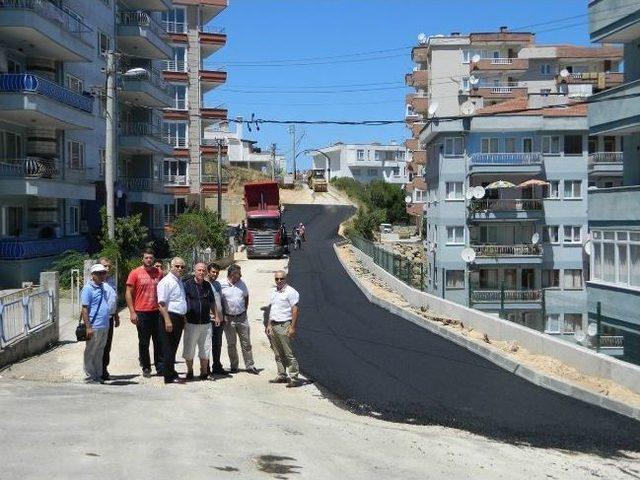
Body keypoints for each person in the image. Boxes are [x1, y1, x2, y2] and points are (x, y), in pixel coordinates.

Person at [126, 249, 164, 378]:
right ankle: (146, 367)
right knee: (144, 342)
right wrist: (132, 312)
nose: (149, 260)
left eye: (151, 258)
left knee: (159, 341)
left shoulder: (159, 273)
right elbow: (128, 293)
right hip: (142, 312)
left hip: (157, 312)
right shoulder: (135, 273)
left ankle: (160, 367)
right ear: (142, 259)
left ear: (154, 259)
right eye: (146, 257)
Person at [183, 263, 221, 381]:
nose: (201, 272)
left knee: (205, 348)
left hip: (206, 323)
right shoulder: (187, 285)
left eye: (203, 270)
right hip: (191, 322)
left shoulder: (207, 285)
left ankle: (204, 372)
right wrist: (183, 318)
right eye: (199, 270)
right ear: (194, 271)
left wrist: (217, 316)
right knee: (189, 349)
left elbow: (212, 302)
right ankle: (190, 371)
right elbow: (183, 301)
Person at [81, 264, 116, 384]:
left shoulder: (102, 287)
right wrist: (88, 327)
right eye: (99, 273)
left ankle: (98, 375)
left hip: (104, 324)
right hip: (94, 325)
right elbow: (85, 309)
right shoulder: (88, 289)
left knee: (100, 351)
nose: (102, 275)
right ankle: (90, 376)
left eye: (103, 273)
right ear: (93, 275)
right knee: (91, 351)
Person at [266, 271, 302, 387]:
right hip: (274, 325)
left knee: (288, 353)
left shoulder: (291, 292)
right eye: (277, 279)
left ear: (285, 279)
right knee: (277, 352)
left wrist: (292, 327)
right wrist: (268, 324)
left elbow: (295, 310)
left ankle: (294, 378)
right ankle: (281, 375)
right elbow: (272, 309)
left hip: (284, 325)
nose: (279, 281)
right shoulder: (274, 292)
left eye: (281, 279)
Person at [221, 264, 258, 374]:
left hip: (242, 318)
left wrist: (244, 311)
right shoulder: (222, 284)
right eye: (238, 275)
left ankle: (250, 365)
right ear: (231, 275)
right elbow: (219, 301)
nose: (240, 277)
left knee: (246, 343)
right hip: (229, 319)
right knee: (231, 344)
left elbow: (246, 297)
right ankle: (234, 366)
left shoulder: (242, 284)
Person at [157, 257, 188, 384]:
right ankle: (168, 377)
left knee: (173, 347)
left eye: (182, 267)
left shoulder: (179, 281)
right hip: (170, 317)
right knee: (168, 347)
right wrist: (167, 320)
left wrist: (183, 316)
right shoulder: (166, 282)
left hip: (179, 318)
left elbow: (180, 301)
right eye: (177, 266)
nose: (180, 269)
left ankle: (171, 371)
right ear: (171, 266)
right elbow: (161, 303)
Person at [207, 263, 231, 377]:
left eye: (217, 272)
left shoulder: (217, 284)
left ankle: (216, 366)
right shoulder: (205, 284)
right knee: (207, 345)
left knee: (217, 344)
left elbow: (221, 300)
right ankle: (206, 369)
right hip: (209, 320)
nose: (215, 274)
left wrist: (224, 315)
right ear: (208, 272)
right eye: (213, 272)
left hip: (219, 319)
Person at [99, 257, 120, 381]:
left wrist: (116, 315)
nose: (107, 268)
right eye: (105, 266)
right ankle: (97, 370)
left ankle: (104, 369)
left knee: (107, 345)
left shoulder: (112, 281)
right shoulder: (95, 282)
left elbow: (113, 300)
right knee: (99, 346)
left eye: (109, 266)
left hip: (110, 318)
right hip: (99, 319)